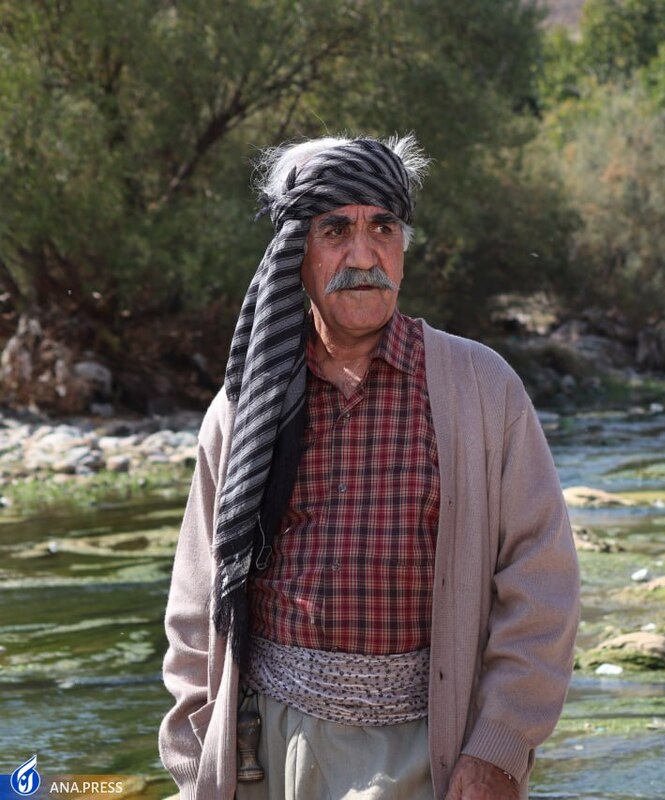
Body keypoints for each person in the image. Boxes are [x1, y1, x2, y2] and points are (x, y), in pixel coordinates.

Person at [159, 135, 580, 800]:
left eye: (382, 228)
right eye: (335, 230)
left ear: (403, 247)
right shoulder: (246, 406)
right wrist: (198, 762)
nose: (363, 256)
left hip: (433, 752)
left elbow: (541, 581)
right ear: (294, 253)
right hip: (268, 751)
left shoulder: (480, 387)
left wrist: (498, 748)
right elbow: (196, 602)